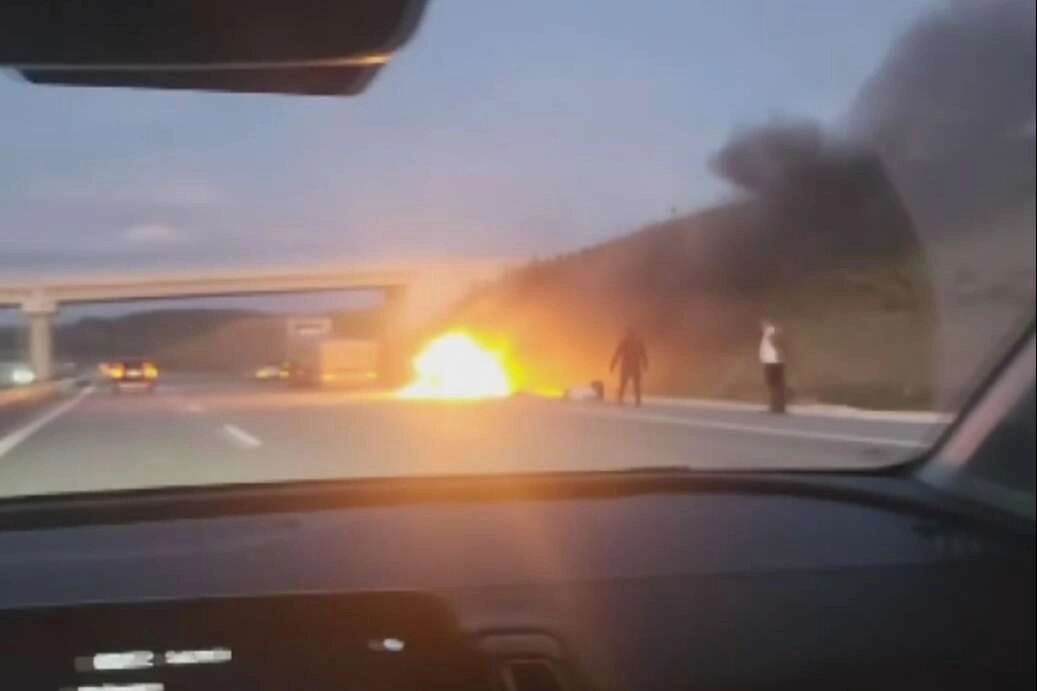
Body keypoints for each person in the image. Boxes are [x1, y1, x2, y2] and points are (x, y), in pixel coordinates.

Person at [610, 327, 648, 406]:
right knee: (632, 384)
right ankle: (636, 400)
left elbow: (617, 354)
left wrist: (612, 365)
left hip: (628, 366)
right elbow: (644, 356)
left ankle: (624, 399)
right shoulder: (636, 343)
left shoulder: (626, 342)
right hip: (633, 366)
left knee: (625, 383)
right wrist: (645, 365)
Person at [759, 319, 787, 413]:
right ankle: (777, 407)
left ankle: (776, 407)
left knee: (775, 386)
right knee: (776, 386)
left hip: (773, 363)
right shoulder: (769, 333)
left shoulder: (770, 332)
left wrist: (778, 354)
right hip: (773, 362)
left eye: (764, 324)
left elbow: (774, 343)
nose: (762, 326)